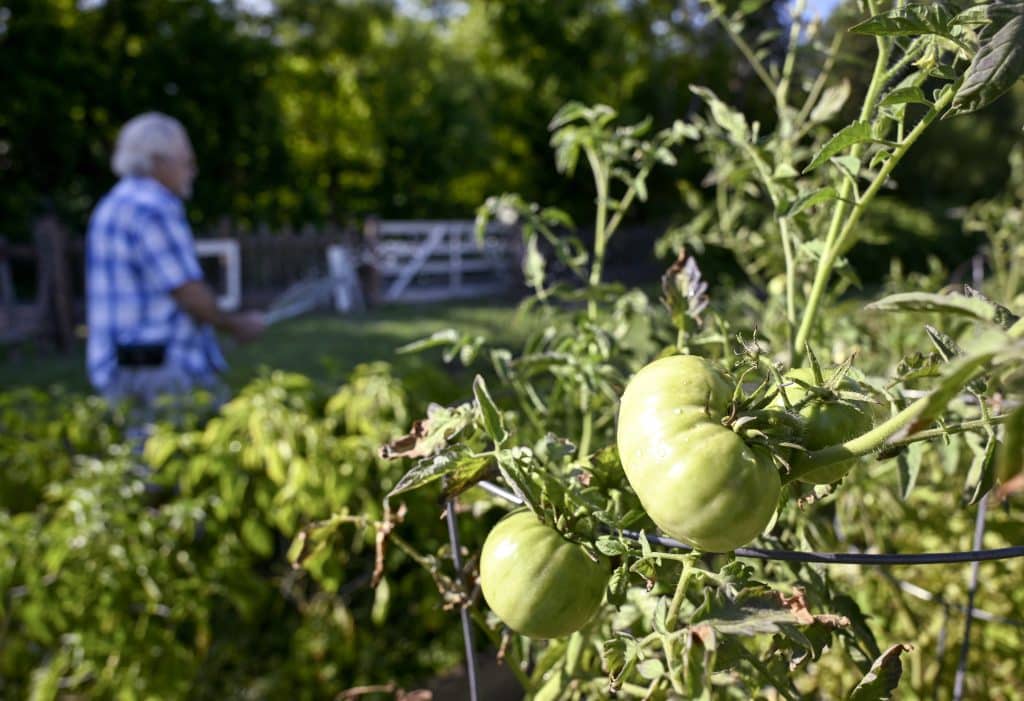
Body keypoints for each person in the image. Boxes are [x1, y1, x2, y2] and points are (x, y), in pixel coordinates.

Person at [85, 112, 264, 426]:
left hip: (118, 368)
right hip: (160, 373)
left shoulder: (111, 204)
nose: (192, 171)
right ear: (157, 161)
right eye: (186, 161)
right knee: (191, 462)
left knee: (140, 463)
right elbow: (186, 290)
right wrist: (234, 324)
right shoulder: (154, 206)